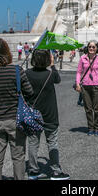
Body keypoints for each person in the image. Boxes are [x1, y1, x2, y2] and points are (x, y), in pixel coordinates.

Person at [0, 38, 35, 180]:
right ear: (7, 52)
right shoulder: (17, 71)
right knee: (18, 157)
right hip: (15, 119)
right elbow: (30, 92)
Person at [25, 50, 70, 180]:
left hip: (33, 115)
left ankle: (33, 170)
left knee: (33, 143)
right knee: (52, 142)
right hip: (50, 114)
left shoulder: (27, 74)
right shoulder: (50, 75)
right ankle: (56, 170)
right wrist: (53, 64)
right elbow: (58, 79)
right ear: (46, 60)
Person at [75, 41, 98, 136]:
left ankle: (97, 128)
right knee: (88, 108)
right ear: (87, 48)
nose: (91, 48)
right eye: (90, 47)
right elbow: (78, 72)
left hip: (96, 85)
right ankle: (90, 128)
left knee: (97, 108)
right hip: (85, 86)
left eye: (93, 47)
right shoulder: (83, 58)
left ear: (96, 48)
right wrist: (77, 83)